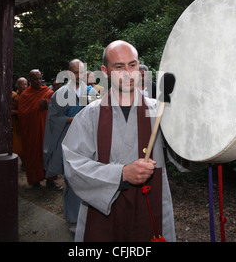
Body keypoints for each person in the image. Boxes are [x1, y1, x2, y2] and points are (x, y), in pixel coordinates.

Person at [61, 40, 177, 242]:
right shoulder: (89, 115)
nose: (127, 73)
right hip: (102, 207)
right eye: (119, 66)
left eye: (132, 65)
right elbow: (73, 164)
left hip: (151, 201)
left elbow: (184, 153)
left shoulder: (159, 112)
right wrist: (121, 174)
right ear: (105, 71)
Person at [44, 59, 98, 232]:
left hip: (87, 141)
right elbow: (53, 118)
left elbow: (98, 116)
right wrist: (71, 120)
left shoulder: (91, 92)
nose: (79, 75)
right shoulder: (59, 94)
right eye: (75, 72)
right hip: (67, 141)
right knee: (71, 179)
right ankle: (74, 218)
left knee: (88, 178)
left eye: (81, 72)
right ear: (68, 73)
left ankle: (89, 216)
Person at [18, 69, 61, 189]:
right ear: (30, 80)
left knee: (49, 154)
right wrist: (38, 107)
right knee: (33, 155)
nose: (38, 81)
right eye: (35, 79)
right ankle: (35, 181)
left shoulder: (48, 91)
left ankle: (50, 180)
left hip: (47, 130)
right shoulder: (25, 95)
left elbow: (57, 109)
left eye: (39, 78)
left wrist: (49, 106)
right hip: (32, 132)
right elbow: (22, 114)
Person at [12, 77, 28, 169]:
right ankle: (23, 163)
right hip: (17, 123)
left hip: (28, 123)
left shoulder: (29, 95)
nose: (24, 86)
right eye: (22, 84)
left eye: (25, 84)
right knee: (19, 143)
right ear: (17, 85)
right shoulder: (15, 96)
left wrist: (16, 112)